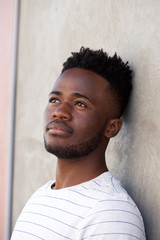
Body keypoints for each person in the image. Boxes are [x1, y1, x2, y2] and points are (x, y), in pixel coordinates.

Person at [11, 47, 146, 240]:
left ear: (112, 128)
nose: (59, 111)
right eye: (55, 99)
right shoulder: (41, 196)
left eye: (80, 104)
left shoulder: (110, 213)